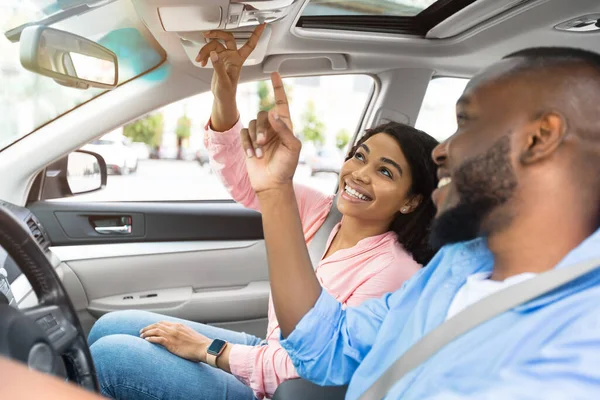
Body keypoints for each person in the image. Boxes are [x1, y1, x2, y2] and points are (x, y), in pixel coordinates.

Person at [88, 25, 440, 399]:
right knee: (111, 326)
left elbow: (315, 368)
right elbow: (244, 179)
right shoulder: (321, 212)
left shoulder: (395, 272)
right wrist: (224, 93)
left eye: (385, 172)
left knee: (111, 358)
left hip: (289, 388)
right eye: (359, 156)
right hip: (267, 353)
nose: (360, 174)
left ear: (410, 201)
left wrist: (208, 350)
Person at [242, 47, 600, 399]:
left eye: (465, 122)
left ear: (539, 138)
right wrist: (275, 188)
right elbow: (328, 346)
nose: (439, 151)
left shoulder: (584, 339)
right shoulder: (456, 265)